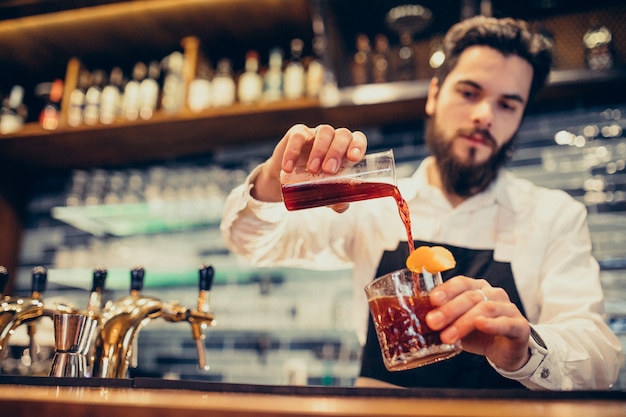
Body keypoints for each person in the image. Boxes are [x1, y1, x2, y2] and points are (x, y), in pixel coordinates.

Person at [220, 15, 622, 390]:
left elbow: (602, 358)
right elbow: (251, 243)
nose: (484, 115)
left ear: (519, 117)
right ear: (434, 95)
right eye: (469, 92)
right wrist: (275, 179)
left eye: (507, 103)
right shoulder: (372, 202)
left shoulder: (553, 216)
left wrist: (527, 349)